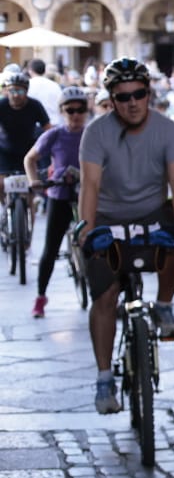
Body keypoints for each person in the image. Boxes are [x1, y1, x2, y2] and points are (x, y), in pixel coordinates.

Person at [78, 57, 174, 413]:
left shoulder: (168, 130)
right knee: (105, 296)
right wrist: (86, 229)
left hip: (152, 212)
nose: (132, 103)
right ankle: (103, 378)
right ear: (111, 100)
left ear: (148, 94)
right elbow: (90, 185)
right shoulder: (96, 132)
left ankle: (164, 305)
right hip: (107, 215)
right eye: (123, 96)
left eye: (139, 94)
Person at [22, 85, 88, 317]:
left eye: (80, 110)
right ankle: (41, 297)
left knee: (96, 244)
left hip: (86, 195)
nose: (76, 115)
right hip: (59, 193)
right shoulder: (55, 134)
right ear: (62, 111)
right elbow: (30, 159)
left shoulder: (92, 134)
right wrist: (34, 181)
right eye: (70, 110)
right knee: (51, 248)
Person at [0, 70, 51, 175]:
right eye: (11, 91)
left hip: (28, 151)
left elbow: (47, 128)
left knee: (32, 180)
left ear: (26, 91)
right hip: (5, 150)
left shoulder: (35, 105)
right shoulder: (2, 105)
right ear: (7, 91)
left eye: (19, 91)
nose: (15, 95)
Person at [26, 59, 63, 126]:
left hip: (35, 125)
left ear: (30, 71)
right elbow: (61, 104)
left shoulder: (27, 85)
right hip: (55, 122)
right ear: (45, 70)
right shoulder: (55, 85)